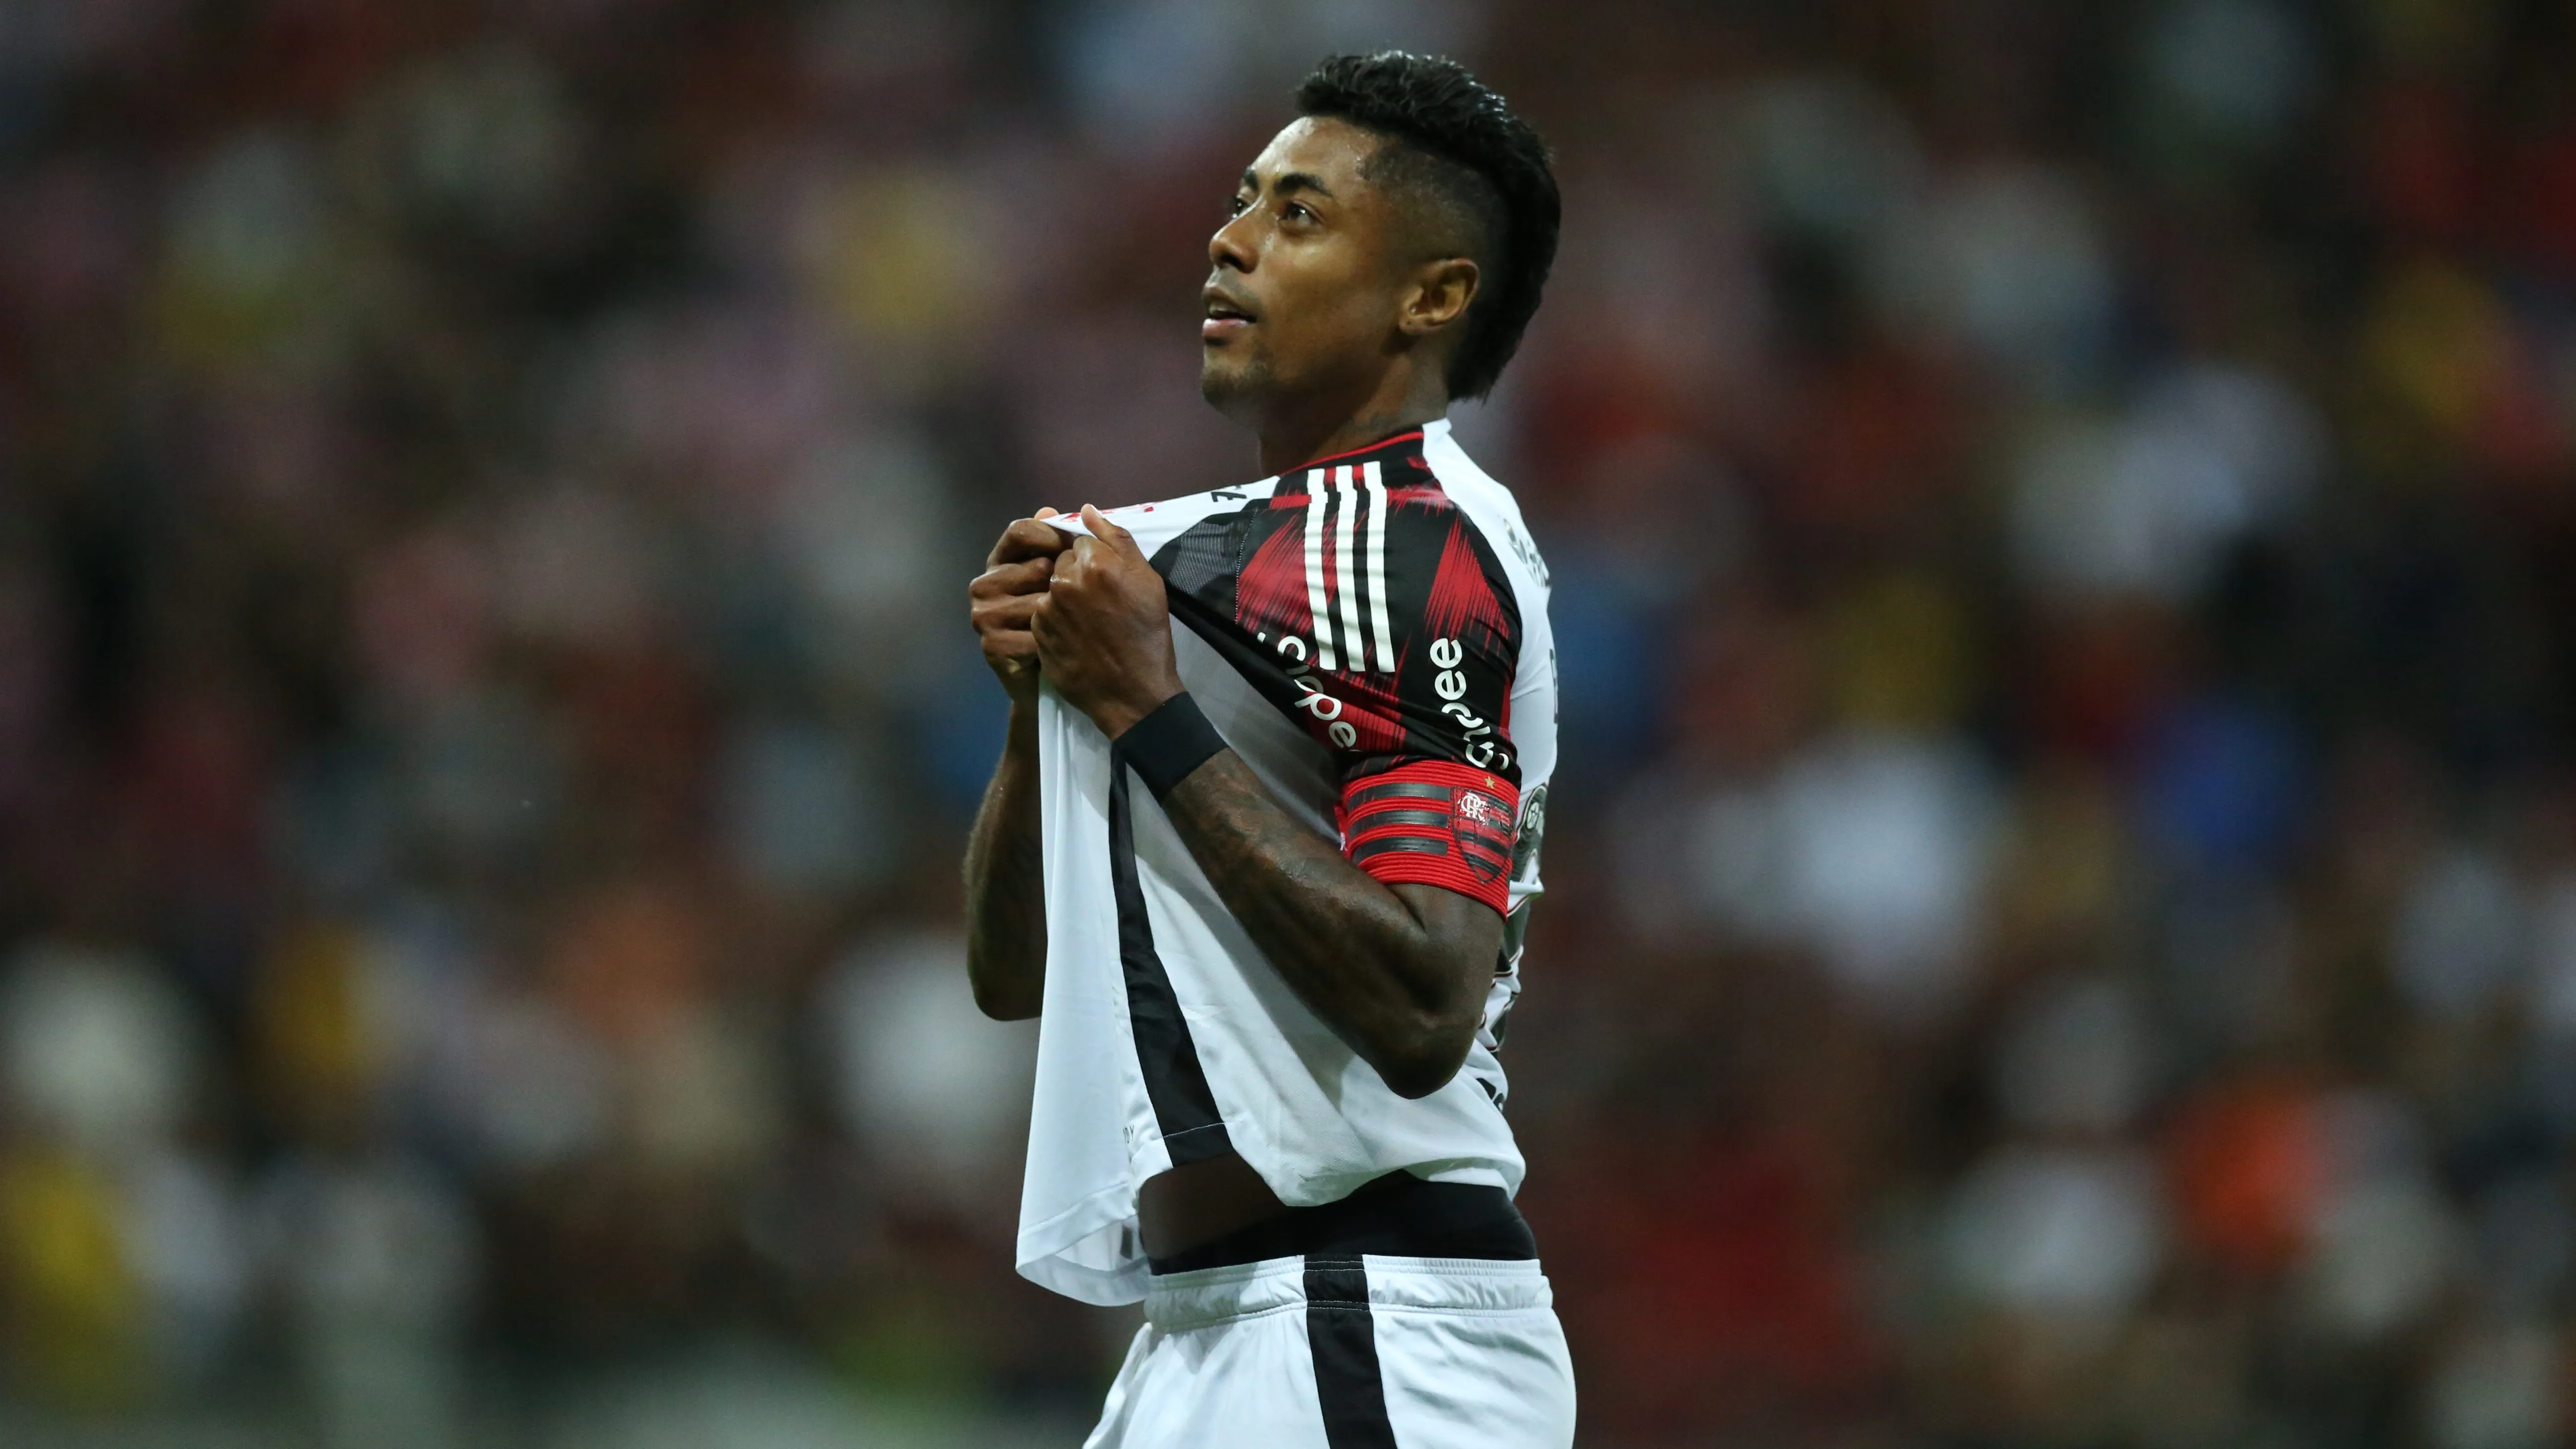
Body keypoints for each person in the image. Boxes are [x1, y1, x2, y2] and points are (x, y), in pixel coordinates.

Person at [962, 51, 1572, 1448]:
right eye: (1243, 201)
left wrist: (1141, 706)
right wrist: (1034, 711)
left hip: (1368, 1321)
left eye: (1299, 215)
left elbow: (1427, 1001)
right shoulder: (1209, 565)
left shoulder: (1408, 544)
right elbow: (1021, 977)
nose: (1230, 240)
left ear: (1432, 294)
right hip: (1213, 1331)